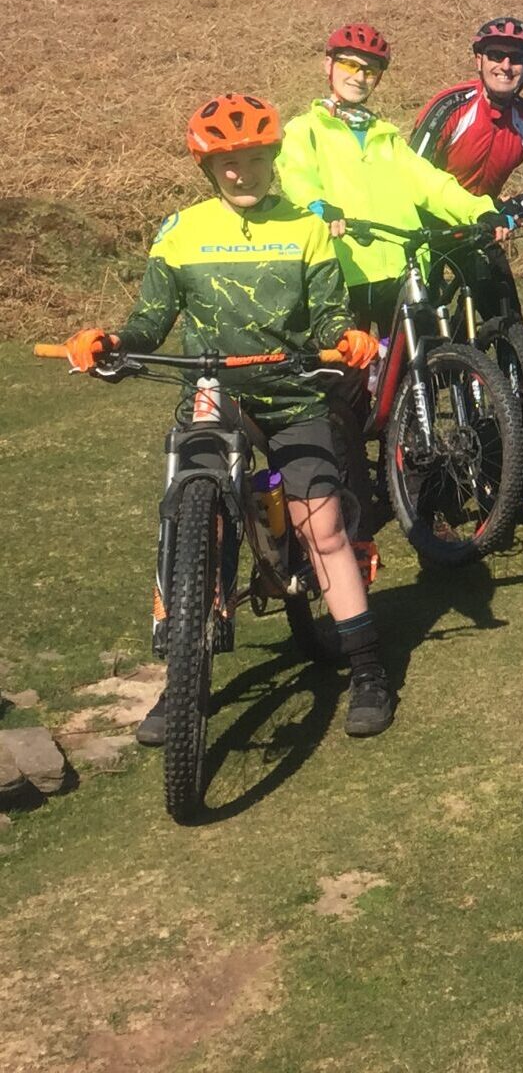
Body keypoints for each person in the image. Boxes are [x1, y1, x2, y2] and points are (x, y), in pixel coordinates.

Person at [60, 95, 391, 737]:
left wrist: (347, 337)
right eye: (227, 163)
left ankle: (369, 669)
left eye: (254, 158)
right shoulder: (180, 230)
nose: (243, 172)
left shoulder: (307, 228)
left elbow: (327, 319)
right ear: (208, 169)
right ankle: (182, 683)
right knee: (193, 529)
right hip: (213, 398)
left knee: (319, 528)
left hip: (294, 393)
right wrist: (110, 344)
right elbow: (149, 323)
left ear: (273, 157)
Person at [276, 23, 506, 333]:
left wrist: (480, 209)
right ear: (328, 65)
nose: (359, 77)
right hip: (342, 270)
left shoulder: (386, 138)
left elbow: (432, 184)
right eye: (350, 64)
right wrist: (321, 207)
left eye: (370, 71)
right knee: (349, 376)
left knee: (413, 372)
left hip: (402, 272)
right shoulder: (305, 130)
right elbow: (298, 179)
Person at [410, 15, 523, 320]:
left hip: (485, 221)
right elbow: (412, 171)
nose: (505, 66)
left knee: (507, 316)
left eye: (517, 59)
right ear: (478, 60)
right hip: (427, 221)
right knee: (423, 322)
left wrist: (516, 207)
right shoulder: (450, 106)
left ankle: (509, 366)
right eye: (496, 55)